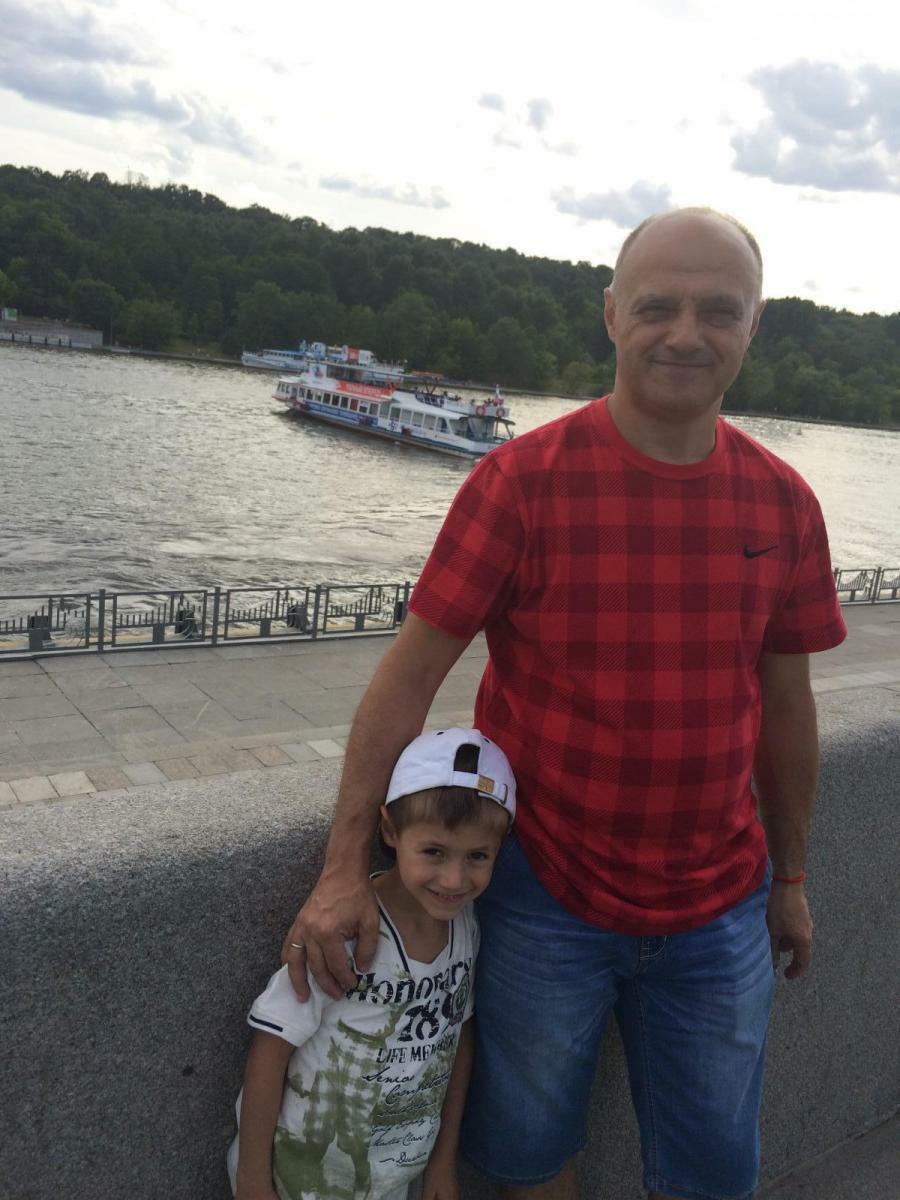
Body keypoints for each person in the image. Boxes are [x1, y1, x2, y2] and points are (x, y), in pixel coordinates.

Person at [281, 208, 847, 1200]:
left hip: (721, 904)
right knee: (531, 1153)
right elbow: (408, 678)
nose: (686, 333)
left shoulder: (785, 503)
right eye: (658, 306)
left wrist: (790, 876)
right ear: (611, 314)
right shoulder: (520, 483)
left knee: (716, 1167)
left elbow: (788, 710)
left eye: (719, 310)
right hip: (545, 893)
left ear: (754, 325)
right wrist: (341, 869)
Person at [229, 728, 515, 1200]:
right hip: (298, 1178)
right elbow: (271, 1047)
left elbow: (457, 1038)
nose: (453, 879)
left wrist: (442, 1163)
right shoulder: (345, 931)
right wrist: (252, 1182)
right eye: (434, 851)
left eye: (477, 856)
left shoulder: (466, 926)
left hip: (391, 1177)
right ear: (389, 830)